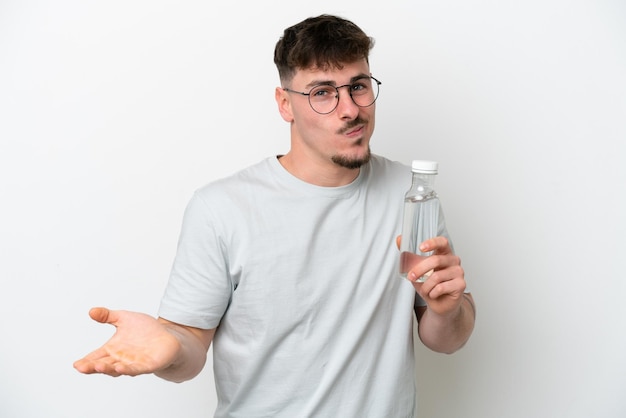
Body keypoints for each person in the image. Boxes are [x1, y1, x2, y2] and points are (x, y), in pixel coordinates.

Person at [74, 14, 475, 417]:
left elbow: (445, 338)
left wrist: (448, 309)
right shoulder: (222, 208)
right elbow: (189, 351)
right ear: (285, 104)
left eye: (358, 86)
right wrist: (169, 348)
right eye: (322, 92)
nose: (350, 109)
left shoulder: (412, 193)